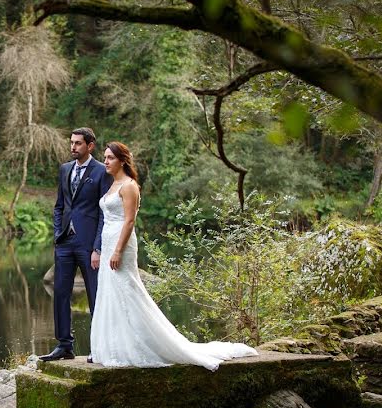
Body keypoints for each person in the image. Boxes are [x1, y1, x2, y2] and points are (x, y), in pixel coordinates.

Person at [89, 142, 258, 370]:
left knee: (127, 290)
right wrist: (102, 248)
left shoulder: (129, 186)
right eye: (105, 157)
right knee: (110, 291)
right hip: (108, 242)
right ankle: (114, 345)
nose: (106, 161)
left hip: (122, 243)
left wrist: (118, 250)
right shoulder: (113, 184)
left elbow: (129, 220)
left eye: (110, 158)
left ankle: (144, 344)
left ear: (122, 160)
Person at [39, 127, 111, 362]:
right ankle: (64, 345)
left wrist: (97, 247)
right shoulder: (65, 169)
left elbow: (104, 213)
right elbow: (60, 205)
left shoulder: (102, 172)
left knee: (94, 295)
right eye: (71, 143)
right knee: (60, 292)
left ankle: (98, 347)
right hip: (65, 244)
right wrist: (57, 232)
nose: (73, 147)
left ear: (90, 146)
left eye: (78, 143)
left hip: (89, 245)